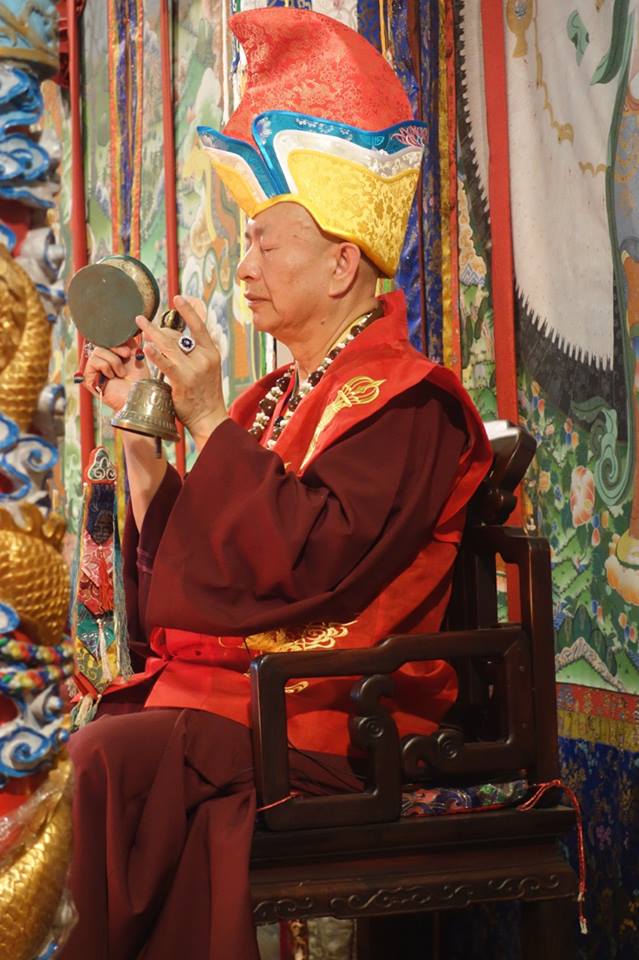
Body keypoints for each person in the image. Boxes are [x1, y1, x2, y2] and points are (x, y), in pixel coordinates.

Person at [61, 8, 492, 960]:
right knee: (97, 745)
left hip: (340, 710)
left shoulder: (407, 402)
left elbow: (308, 565)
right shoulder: (274, 397)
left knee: (111, 757)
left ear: (341, 263)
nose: (244, 266)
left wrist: (207, 418)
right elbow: (199, 565)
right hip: (253, 695)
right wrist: (144, 432)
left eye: (264, 243)